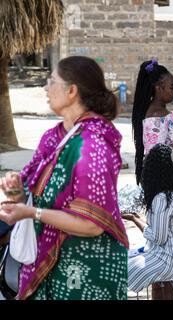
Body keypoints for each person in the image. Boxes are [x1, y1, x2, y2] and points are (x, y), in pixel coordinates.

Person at [0, 56, 129, 300]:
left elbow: (91, 225)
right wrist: (16, 193)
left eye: (52, 81)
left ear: (71, 90)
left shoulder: (92, 147)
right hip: (48, 266)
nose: (45, 88)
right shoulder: (54, 138)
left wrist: (31, 213)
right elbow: (33, 195)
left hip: (86, 271)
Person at [125, 144, 173, 299]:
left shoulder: (162, 199)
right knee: (130, 256)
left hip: (165, 261)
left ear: (152, 173)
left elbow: (158, 238)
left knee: (117, 266)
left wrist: (135, 218)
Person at [132, 59, 173, 185]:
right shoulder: (155, 117)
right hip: (166, 186)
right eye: (172, 87)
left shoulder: (162, 113)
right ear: (159, 88)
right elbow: (156, 157)